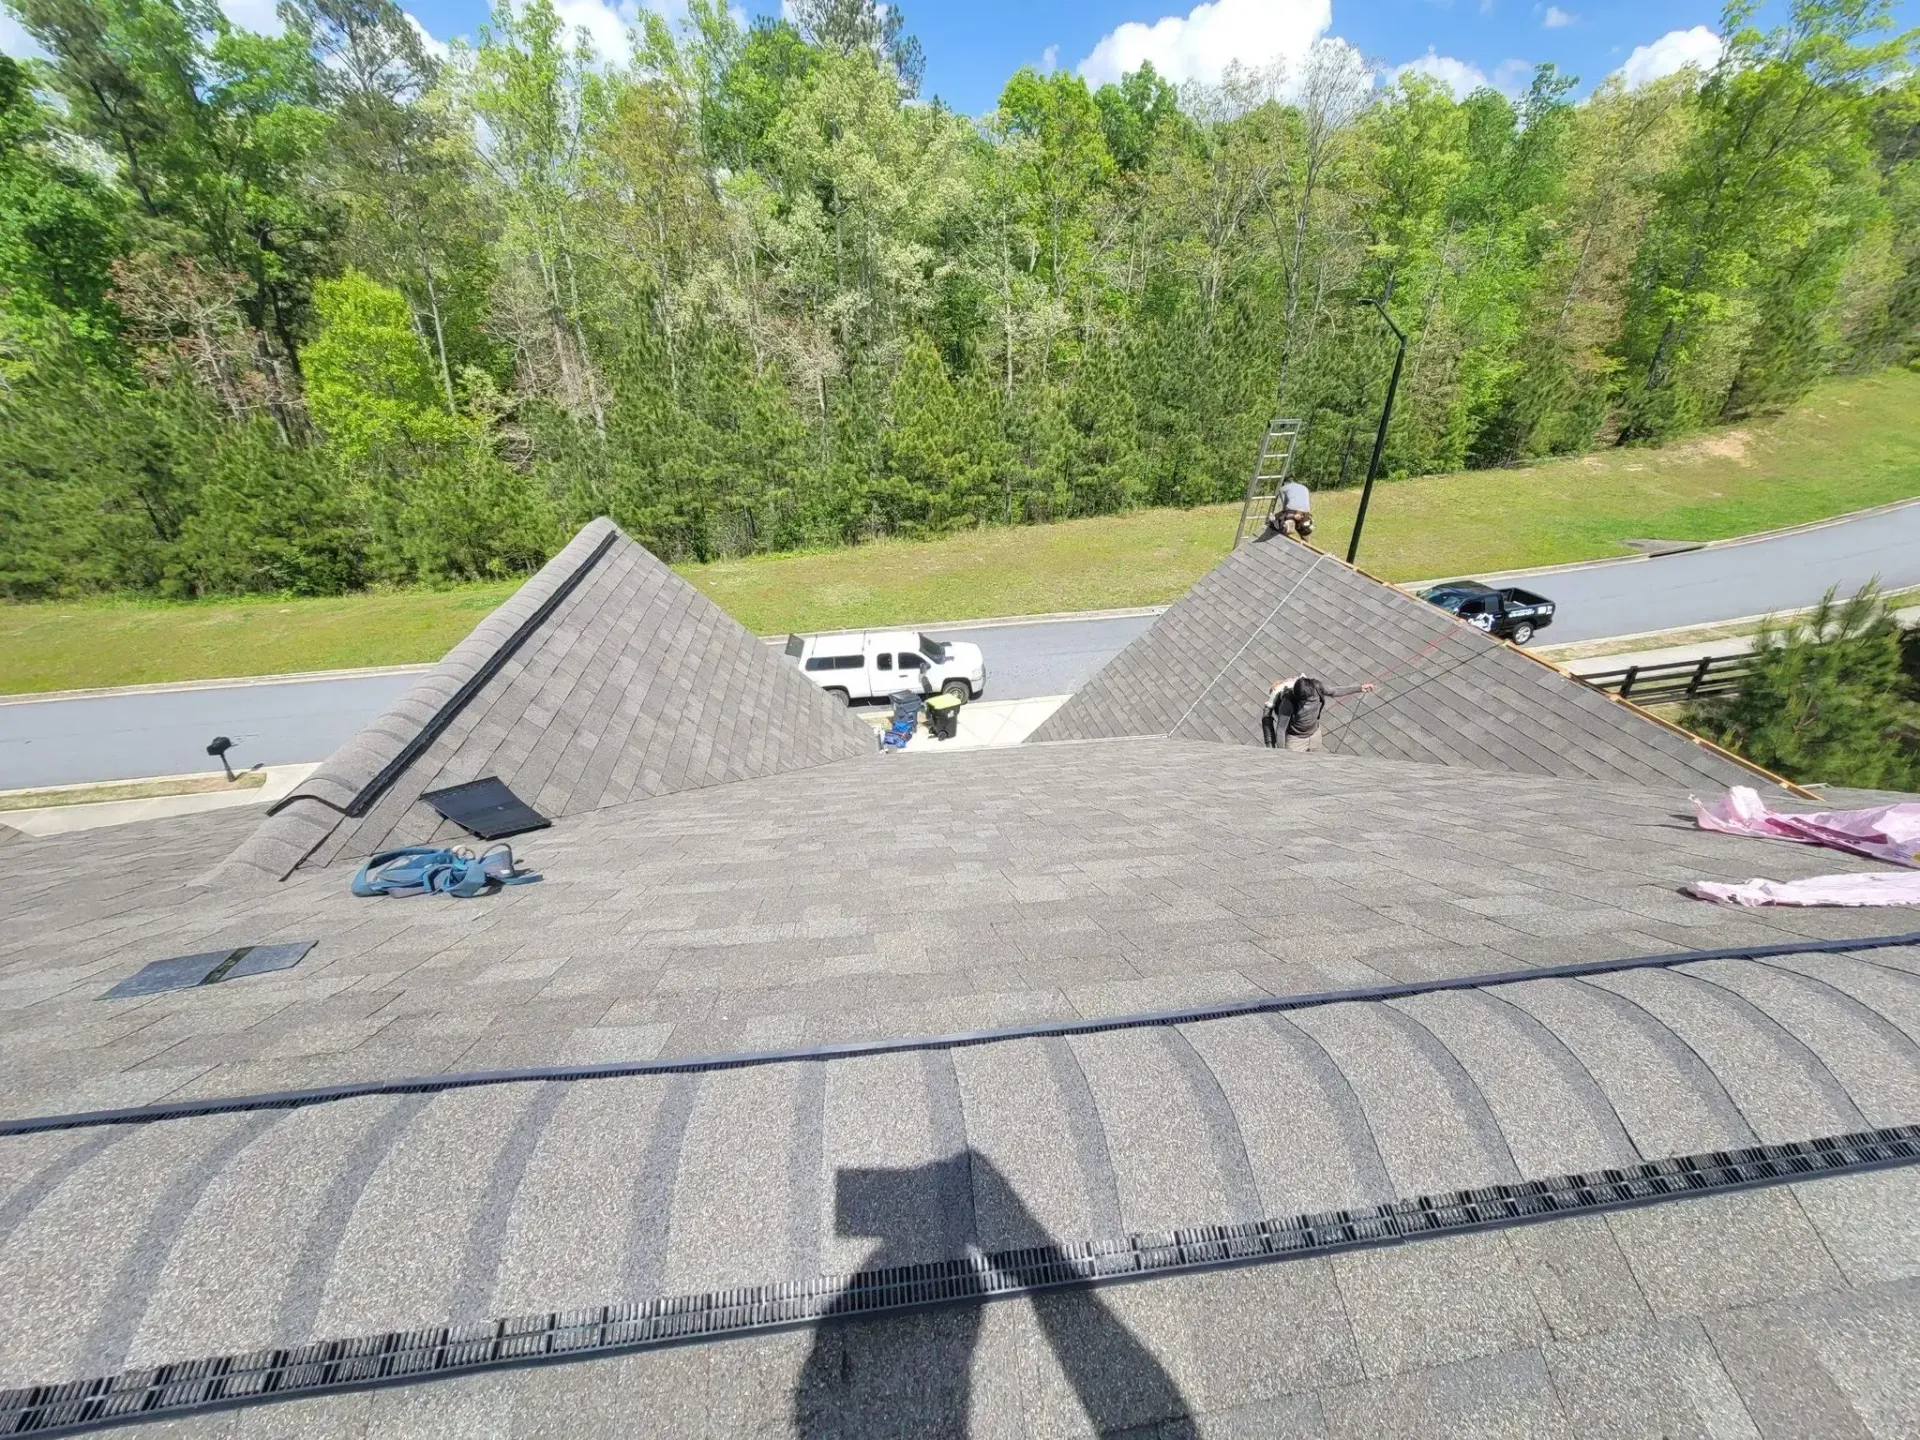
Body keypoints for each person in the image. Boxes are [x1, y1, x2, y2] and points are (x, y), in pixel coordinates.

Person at [1263, 673, 1374, 751]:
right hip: (1295, 742)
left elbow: (1335, 691)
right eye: (1307, 701)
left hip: (1315, 735)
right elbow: (1281, 730)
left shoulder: (1316, 686)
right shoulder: (1288, 702)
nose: (1311, 702)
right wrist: (1282, 754)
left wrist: (1360, 688)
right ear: (1299, 697)